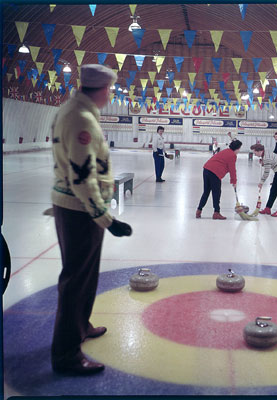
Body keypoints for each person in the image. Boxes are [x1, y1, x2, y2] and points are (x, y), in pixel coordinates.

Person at [50, 64, 133, 375]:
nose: (110, 95)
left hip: (74, 207)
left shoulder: (69, 110)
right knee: (76, 281)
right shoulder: (81, 119)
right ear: (100, 90)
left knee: (85, 276)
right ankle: (66, 356)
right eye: (109, 90)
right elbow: (83, 177)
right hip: (80, 210)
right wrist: (106, 219)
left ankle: (80, 326)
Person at [196, 140, 242, 220]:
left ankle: (198, 211)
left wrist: (233, 180)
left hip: (207, 169)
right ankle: (216, 213)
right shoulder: (232, 155)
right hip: (215, 172)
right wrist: (234, 181)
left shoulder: (226, 151)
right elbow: (232, 169)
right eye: (239, 148)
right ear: (237, 148)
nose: (239, 150)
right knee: (216, 193)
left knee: (206, 192)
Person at [250, 143, 277, 217]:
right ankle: (268, 208)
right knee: (273, 190)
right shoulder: (265, 153)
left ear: (259, 151)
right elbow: (269, 162)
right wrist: (263, 163)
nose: (254, 154)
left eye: (255, 152)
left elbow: (266, 173)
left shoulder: (266, 158)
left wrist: (261, 182)